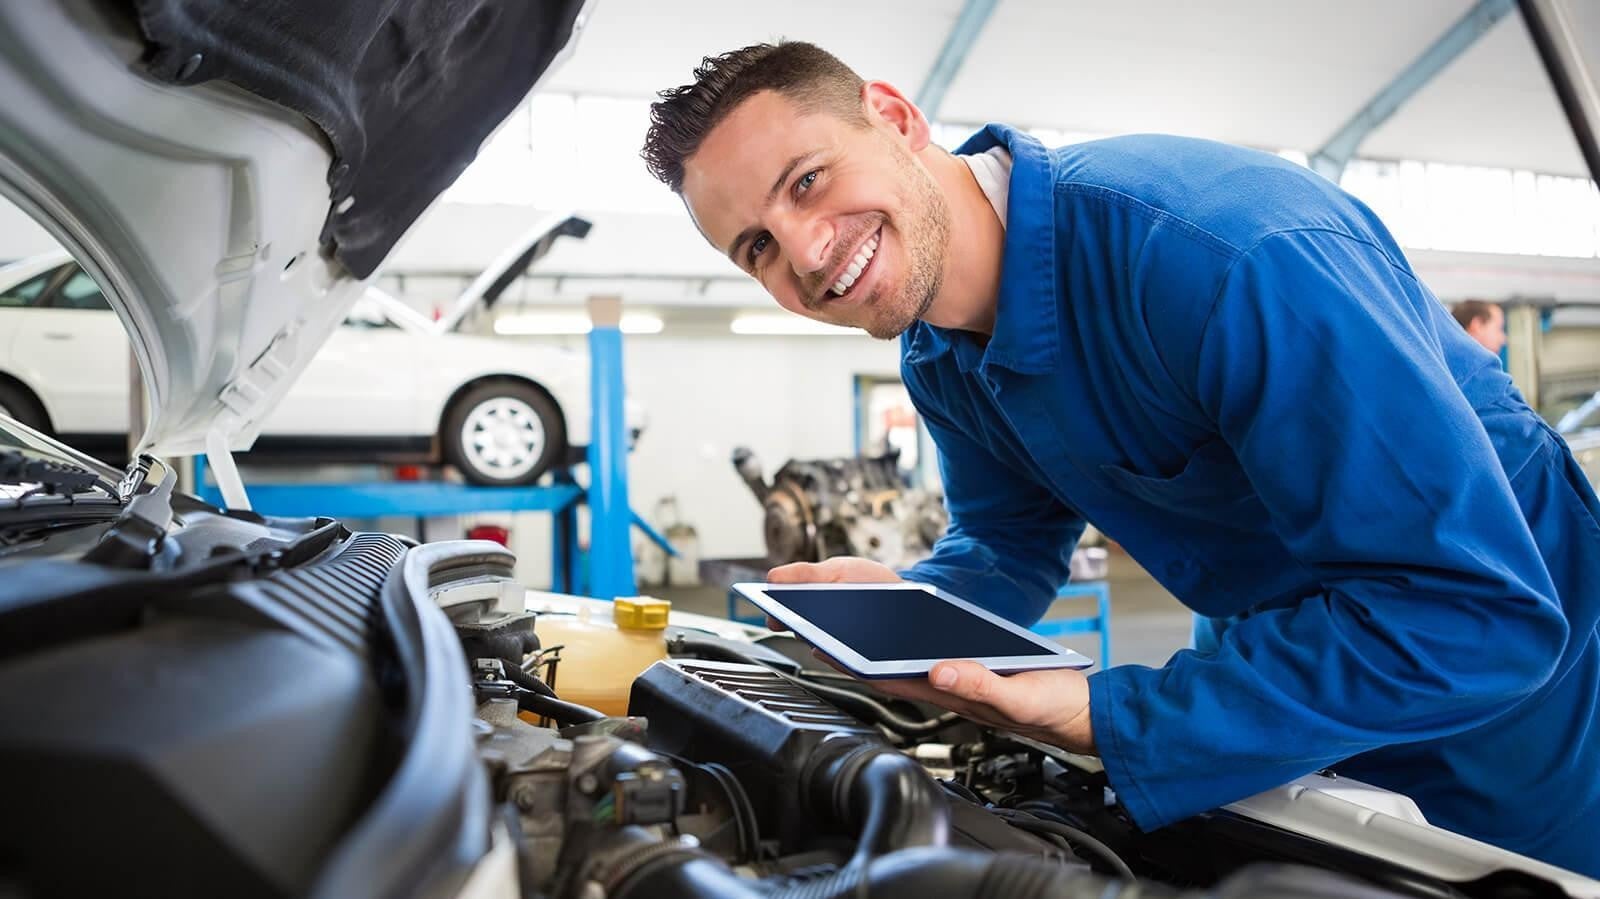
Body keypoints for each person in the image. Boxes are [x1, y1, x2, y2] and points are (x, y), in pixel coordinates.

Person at [640, 42, 1600, 873]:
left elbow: (1478, 617)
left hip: (1510, 689)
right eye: (757, 246)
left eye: (807, 182)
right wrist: (905, 616)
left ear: (893, 115)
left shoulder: (1221, 255)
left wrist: (1113, 715)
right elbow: (1008, 546)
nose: (805, 254)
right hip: (1286, 655)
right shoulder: (937, 355)